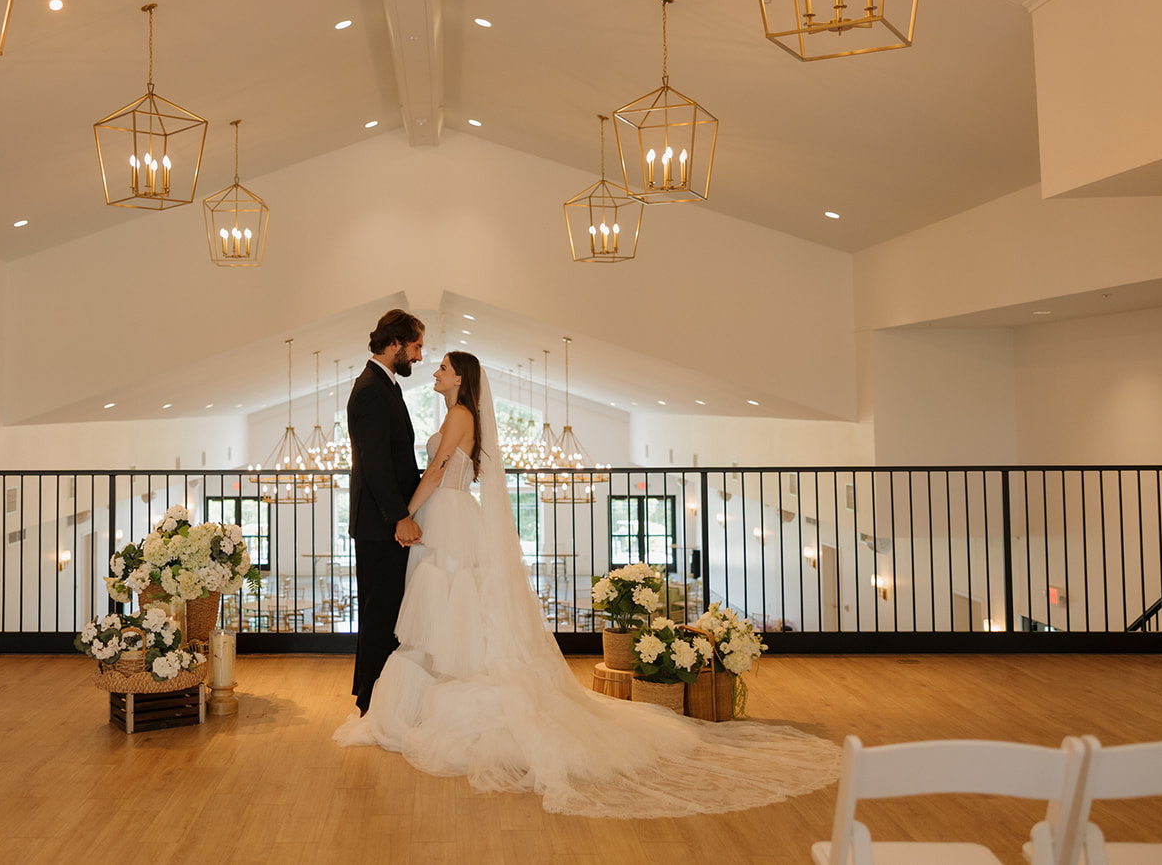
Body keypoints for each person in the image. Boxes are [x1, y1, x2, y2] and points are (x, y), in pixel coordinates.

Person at [335, 350, 841, 818]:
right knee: (451, 597)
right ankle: (441, 683)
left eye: (443, 365)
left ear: (461, 377)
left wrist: (405, 514)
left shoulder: (460, 416)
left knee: (450, 594)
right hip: (452, 513)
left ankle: (446, 685)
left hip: (444, 510)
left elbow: (437, 471)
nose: (434, 369)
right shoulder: (457, 416)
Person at [346, 308, 425, 715]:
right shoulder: (373, 389)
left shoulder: (384, 384)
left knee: (386, 609)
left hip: (381, 521)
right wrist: (400, 516)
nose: (419, 357)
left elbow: (392, 460)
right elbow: (376, 464)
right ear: (394, 344)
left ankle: (379, 696)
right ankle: (371, 700)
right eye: (415, 347)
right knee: (380, 612)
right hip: (380, 524)